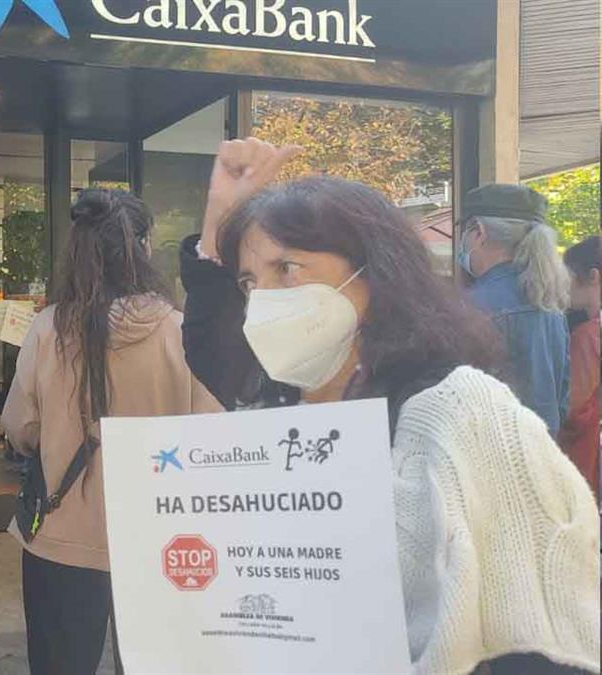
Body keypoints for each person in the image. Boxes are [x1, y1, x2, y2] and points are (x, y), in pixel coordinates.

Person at [180, 139, 600, 674]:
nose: (263, 298)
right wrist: (217, 220)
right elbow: (212, 350)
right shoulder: (276, 406)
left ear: (374, 274)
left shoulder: (463, 410)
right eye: (249, 281)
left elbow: (539, 628)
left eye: (287, 268)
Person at [2, 188, 221, 675]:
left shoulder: (48, 329)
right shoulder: (178, 331)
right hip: (160, 538)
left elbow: (21, 427)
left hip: (60, 533)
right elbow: (210, 434)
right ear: (144, 247)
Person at [459, 184, 572, 436]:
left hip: (489, 453)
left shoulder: (470, 307)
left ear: (478, 232)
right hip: (543, 449)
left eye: (464, 232)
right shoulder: (551, 306)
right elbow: (562, 399)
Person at [560, 235, 600, 499]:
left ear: (593, 276)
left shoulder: (587, 336)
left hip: (582, 455)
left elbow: (573, 410)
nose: (564, 287)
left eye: (569, 278)